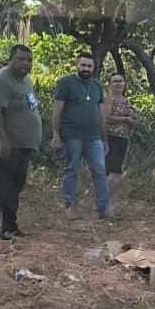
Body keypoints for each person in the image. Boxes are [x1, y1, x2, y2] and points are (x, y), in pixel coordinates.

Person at [49, 52, 110, 219]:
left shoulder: (97, 85)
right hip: (72, 135)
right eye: (83, 65)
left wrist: (105, 138)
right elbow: (57, 111)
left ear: (94, 68)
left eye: (89, 66)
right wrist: (56, 135)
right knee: (71, 170)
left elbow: (101, 115)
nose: (86, 69)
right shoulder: (65, 83)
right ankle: (70, 206)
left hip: (93, 137)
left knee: (99, 170)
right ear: (77, 65)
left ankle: (102, 208)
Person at [0, 44, 40, 240]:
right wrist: (3, 142)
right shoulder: (1, 80)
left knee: (15, 186)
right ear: (10, 59)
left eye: (28, 60)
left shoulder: (26, 80)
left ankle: (10, 226)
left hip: (23, 146)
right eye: (20, 59)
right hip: (6, 146)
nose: (25, 63)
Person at [104, 73, 140, 204]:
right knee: (114, 171)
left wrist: (134, 118)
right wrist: (125, 119)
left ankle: (106, 200)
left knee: (114, 170)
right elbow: (106, 118)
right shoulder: (108, 99)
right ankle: (102, 200)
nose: (118, 84)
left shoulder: (126, 101)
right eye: (115, 81)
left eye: (120, 81)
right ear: (110, 84)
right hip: (110, 137)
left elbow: (133, 122)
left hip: (123, 138)